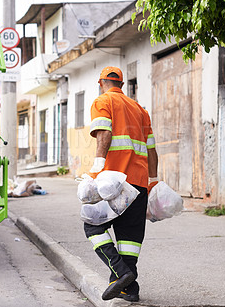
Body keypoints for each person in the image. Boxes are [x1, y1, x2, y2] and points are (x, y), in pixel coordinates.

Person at [84, 66, 158, 302]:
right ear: (122, 85)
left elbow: (104, 133)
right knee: (130, 237)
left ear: (101, 83)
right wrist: (153, 181)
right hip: (139, 183)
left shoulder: (102, 101)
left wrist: (97, 166)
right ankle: (129, 288)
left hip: (112, 183)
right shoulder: (140, 109)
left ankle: (121, 272)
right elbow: (151, 149)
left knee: (92, 226)